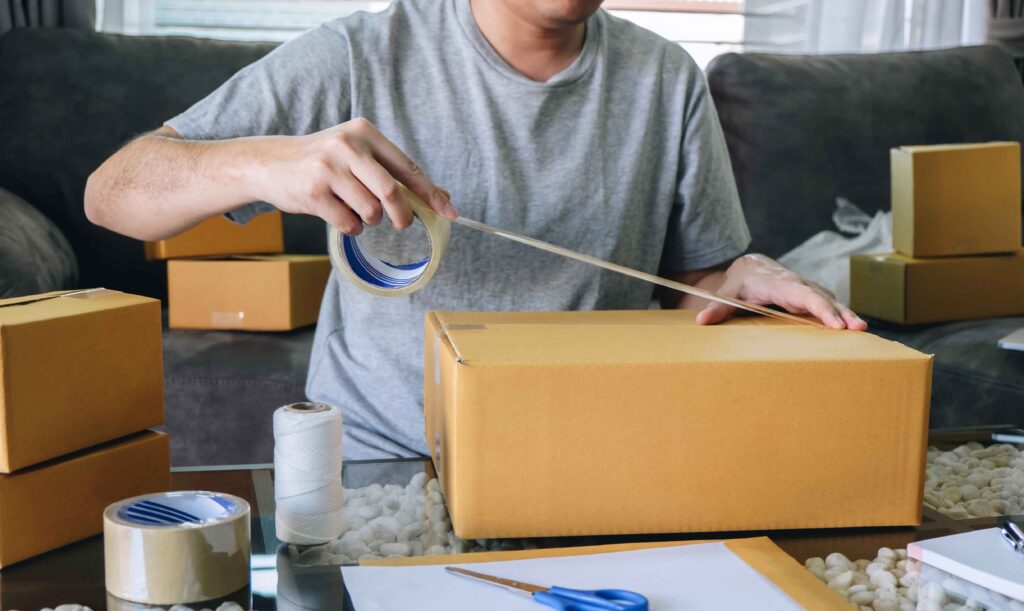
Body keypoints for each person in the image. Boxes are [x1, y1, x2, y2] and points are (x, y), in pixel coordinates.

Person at [85, 0, 866, 459]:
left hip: (591, 452)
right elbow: (110, 191)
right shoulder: (358, 53)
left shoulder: (666, 80)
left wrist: (744, 278)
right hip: (384, 462)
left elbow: (696, 285)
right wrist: (262, 165)